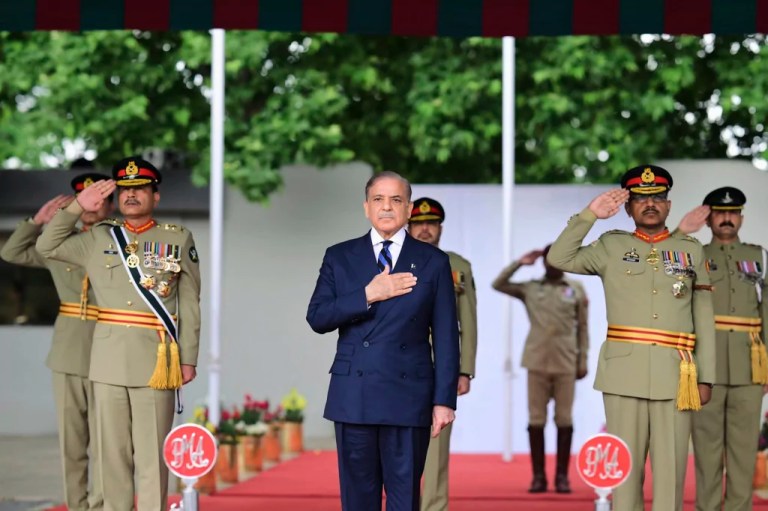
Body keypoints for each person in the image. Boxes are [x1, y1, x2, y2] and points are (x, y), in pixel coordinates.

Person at [546, 164, 716, 511]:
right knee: (624, 471)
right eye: (640, 199)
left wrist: (706, 376)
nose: (650, 204)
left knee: (671, 472)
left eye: (657, 198)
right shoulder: (611, 246)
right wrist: (590, 215)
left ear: (668, 205)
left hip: (677, 375)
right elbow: (558, 257)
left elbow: (703, 317)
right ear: (628, 208)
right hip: (624, 375)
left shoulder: (691, 250)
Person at [36, 157, 201, 511]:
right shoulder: (98, 236)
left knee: (152, 458)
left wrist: (188, 358)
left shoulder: (177, 238)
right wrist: (77, 206)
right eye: (124, 189)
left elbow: (189, 304)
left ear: (155, 196)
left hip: (155, 362)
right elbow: (45, 246)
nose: (131, 195)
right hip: (107, 362)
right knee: (111, 458)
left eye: (139, 188)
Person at [306, 171, 460, 511]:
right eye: (378, 199)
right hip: (354, 394)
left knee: (404, 500)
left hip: (409, 396)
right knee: (358, 500)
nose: (386, 207)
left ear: (408, 209)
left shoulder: (434, 261)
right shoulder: (339, 256)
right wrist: (368, 294)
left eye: (396, 200)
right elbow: (317, 317)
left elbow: (447, 336)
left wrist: (444, 400)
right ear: (366, 207)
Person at [1, 173, 112, 511]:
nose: (91, 205)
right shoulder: (59, 245)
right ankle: (77, 505)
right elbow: (12, 252)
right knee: (72, 441)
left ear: (110, 204)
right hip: (68, 352)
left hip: (111, 348)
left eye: (98, 198)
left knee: (110, 441)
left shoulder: (122, 242)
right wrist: (37, 221)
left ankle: (103, 504)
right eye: (84, 198)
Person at [677, 187, 768, 511]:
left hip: (749, 367)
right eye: (720, 213)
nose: (727, 219)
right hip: (706, 368)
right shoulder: (694, 255)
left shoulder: (760, 257)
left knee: (744, 453)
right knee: (707, 452)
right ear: (709, 218)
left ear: (740, 217)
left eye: (733, 213)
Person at [492, 244, 589, 494]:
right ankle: (538, 477)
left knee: (564, 419)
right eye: (549, 259)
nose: (553, 263)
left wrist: (583, 361)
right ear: (543, 262)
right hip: (537, 362)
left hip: (566, 362)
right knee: (536, 419)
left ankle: (562, 477)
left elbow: (583, 328)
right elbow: (498, 284)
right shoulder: (531, 288)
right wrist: (519, 263)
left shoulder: (576, 288)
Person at [407, 197, 477, 511]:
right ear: (408, 227)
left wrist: (464, 370)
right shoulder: (393, 261)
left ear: (441, 228)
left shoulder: (458, 267)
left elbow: (468, 320)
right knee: (398, 446)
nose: (425, 229)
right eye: (418, 223)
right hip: (399, 364)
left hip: (441, 366)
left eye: (431, 223)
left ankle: (434, 507)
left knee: (436, 444)